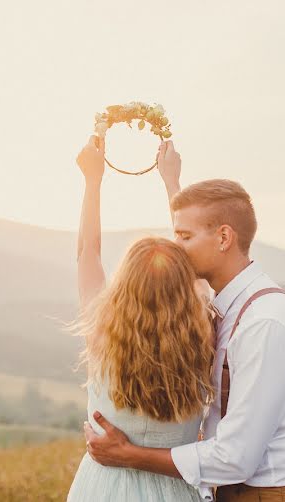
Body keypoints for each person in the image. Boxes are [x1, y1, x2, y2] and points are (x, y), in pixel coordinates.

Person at [84, 141, 285, 502]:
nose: (176, 248)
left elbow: (237, 458)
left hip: (277, 495)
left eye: (183, 237)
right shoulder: (226, 305)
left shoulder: (264, 324)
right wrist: (172, 181)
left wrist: (129, 456)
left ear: (223, 237)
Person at [67, 135, 216, 502]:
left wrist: (92, 180)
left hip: (102, 489)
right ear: (184, 284)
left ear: (124, 284)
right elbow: (195, 266)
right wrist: (172, 182)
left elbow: (88, 252)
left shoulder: (100, 332)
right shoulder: (202, 337)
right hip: (177, 488)